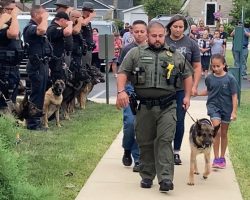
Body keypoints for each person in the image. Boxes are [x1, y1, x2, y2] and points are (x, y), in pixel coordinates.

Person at [116, 21, 193, 192]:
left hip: (168, 105)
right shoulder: (135, 53)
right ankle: (147, 175)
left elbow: (188, 74)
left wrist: (187, 96)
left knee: (165, 140)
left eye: (160, 36)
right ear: (148, 35)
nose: (157, 39)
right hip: (144, 106)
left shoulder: (174, 55)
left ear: (164, 35)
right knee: (145, 141)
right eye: (154, 36)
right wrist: (121, 91)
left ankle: (165, 178)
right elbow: (122, 72)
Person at [165, 14, 202, 165]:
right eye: (175, 26)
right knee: (164, 120)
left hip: (182, 88)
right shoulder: (163, 40)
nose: (178, 29)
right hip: (164, 87)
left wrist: (194, 86)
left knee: (179, 120)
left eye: (181, 27)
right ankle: (163, 150)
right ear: (170, 27)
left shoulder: (191, 43)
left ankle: (176, 151)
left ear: (185, 28)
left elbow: (197, 66)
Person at [197, 54, 238, 169]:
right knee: (217, 131)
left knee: (224, 133)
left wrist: (234, 112)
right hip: (213, 107)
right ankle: (215, 158)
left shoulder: (230, 79)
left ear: (224, 65)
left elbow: (234, 96)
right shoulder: (209, 78)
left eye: (218, 66)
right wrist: (197, 93)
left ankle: (222, 157)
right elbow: (209, 91)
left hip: (227, 108)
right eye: (213, 66)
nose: (215, 68)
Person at [118, 20, 148, 173]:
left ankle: (138, 159)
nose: (139, 34)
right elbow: (121, 72)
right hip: (130, 89)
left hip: (145, 91)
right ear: (131, 32)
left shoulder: (152, 49)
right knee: (130, 123)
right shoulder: (127, 49)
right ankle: (127, 148)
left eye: (142, 31)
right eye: (136, 31)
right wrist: (120, 91)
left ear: (146, 32)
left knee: (140, 126)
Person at [23, 5, 52, 130]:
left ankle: (37, 121)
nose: (46, 16)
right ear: (36, 15)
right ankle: (33, 124)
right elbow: (41, 30)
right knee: (36, 95)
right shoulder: (30, 28)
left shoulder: (38, 27)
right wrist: (44, 18)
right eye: (43, 14)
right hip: (36, 66)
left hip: (42, 65)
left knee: (41, 94)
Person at [0, 0, 23, 111]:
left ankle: (10, 123)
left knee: (11, 100)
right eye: (13, 9)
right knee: (4, 101)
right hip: (4, 70)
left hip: (13, 69)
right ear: (5, 10)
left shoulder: (10, 24)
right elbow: (13, 33)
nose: (16, 12)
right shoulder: (2, 25)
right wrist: (13, 17)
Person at [47, 11, 73, 83]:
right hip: (54, 61)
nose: (66, 24)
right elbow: (67, 32)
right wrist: (70, 24)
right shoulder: (53, 28)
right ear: (62, 20)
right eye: (66, 22)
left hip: (58, 60)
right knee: (56, 82)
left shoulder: (56, 27)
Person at [81, 2, 96, 67]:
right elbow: (83, 23)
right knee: (84, 68)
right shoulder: (80, 18)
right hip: (83, 49)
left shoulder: (88, 22)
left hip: (89, 48)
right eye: (91, 11)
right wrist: (90, 17)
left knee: (88, 66)